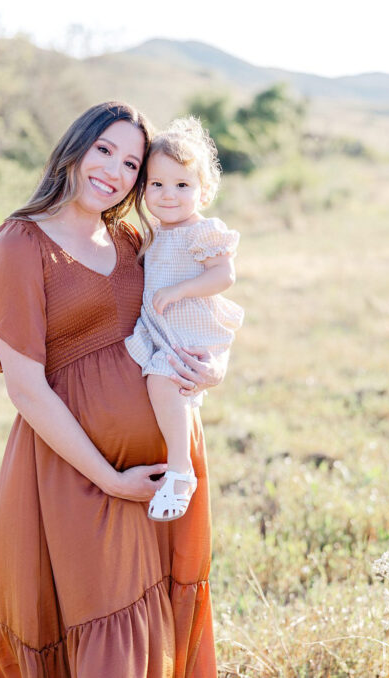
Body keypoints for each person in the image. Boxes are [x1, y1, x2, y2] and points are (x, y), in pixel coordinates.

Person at [0, 101, 221, 677]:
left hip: (164, 470)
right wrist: (109, 479)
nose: (114, 171)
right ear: (75, 147)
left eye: (132, 163)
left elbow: (183, 323)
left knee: (153, 625)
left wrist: (208, 370)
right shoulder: (21, 244)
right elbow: (26, 390)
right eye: (104, 149)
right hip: (80, 476)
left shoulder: (132, 239)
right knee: (104, 628)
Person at [125, 117, 243, 522]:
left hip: (189, 326)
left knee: (164, 377)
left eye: (182, 186)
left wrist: (180, 290)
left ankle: (181, 470)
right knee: (164, 384)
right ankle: (175, 460)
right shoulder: (154, 232)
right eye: (157, 185)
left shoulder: (201, 231)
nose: (168, 195)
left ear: (203, 191)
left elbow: (223, 275)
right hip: (163, 328)